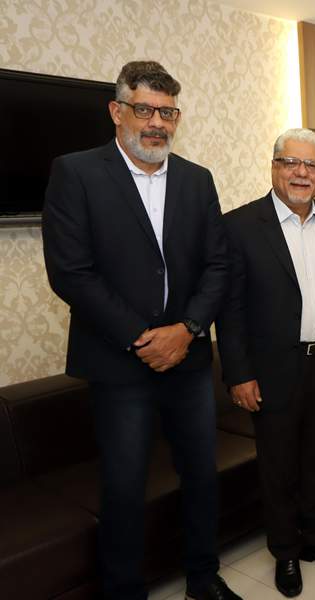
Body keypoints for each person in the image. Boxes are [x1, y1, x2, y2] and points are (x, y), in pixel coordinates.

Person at [42, 61, 239, 600]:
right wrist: (142, 337)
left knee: (201, 474)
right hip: (117, 362)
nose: (157, 123)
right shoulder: (76, 172)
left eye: (167, 112)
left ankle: (204, 575)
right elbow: (71, 272)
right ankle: (124, 590)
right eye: (145, 109)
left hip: (191, 359)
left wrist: (189, 329)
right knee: (125, 485)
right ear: (117, 111)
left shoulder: (197, 180)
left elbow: (217, 266)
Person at [215, 128, 315, 598]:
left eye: (311, 166)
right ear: (274, 167)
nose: (301, 173)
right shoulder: (239, 225)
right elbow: (230, 308)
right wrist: (238, 373)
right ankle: (285, 551)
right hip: (272, 369)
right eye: (290, 163)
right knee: (277, 465)